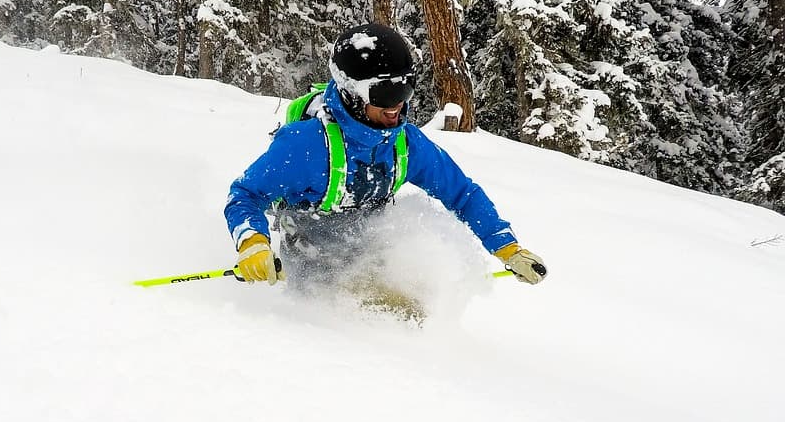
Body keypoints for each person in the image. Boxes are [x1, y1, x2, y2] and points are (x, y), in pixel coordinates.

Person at [224, 22, 546, 300]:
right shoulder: (305, 145)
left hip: (369, 247)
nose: (396, 107)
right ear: (352, 93)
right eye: (384, 95)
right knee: (354, 325)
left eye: (404, 90)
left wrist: (508, 248)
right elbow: (245, 195)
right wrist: (253, 242)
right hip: (310, 258)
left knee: (410, 309)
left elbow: (462, 193)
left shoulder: (406, 144)